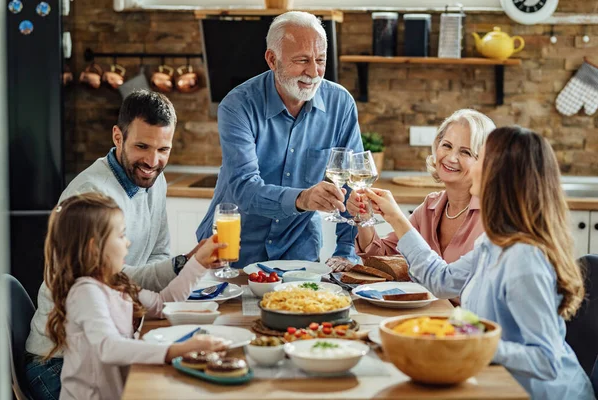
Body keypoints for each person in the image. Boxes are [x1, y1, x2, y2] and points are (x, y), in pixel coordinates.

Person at [363, 126, 593, 399]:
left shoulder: (523, 259)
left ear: (500, 175)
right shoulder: (495, 242)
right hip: (494, 382)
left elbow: (546, 360)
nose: (470, 168)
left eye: (478, 158)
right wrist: (395, 217)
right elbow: (442, 281)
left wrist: (471, 341)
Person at [25, 90, 208, 400]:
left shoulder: (154, 179)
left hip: (109, 342)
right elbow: (108, 278)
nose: (153, 161)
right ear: (118, 137)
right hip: (60, 361)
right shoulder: (90, 197)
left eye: (164, 149)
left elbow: (157, 255)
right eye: (142, 146)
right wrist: (179, 265)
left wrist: (194, 262)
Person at [196, 11, 363, 267]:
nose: (314, 72)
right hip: (232, 250)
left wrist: (346, 248)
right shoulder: (238, 105)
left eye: (320, 59)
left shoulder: (340, 104)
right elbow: (244, 187)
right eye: (302, 60)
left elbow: (352, 184)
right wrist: (302, 199)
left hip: (298, 250)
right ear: (272, 60)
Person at [42, 193, 229, 400]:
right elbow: (109, 347)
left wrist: (198, 263)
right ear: (95, 248)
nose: (128, 243)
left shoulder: (115, 281)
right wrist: (178, 349)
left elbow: (161, 304)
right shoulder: (86, 291)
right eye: (121, 235)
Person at [333, 109, 495, 272]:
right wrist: (364, 218)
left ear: (484, 161)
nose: (451, 158)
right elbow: (381, 258)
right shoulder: (430, 207)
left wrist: (396, 217)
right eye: (447, 145)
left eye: (465, 152)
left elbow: (458, 285)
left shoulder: (493, 217)